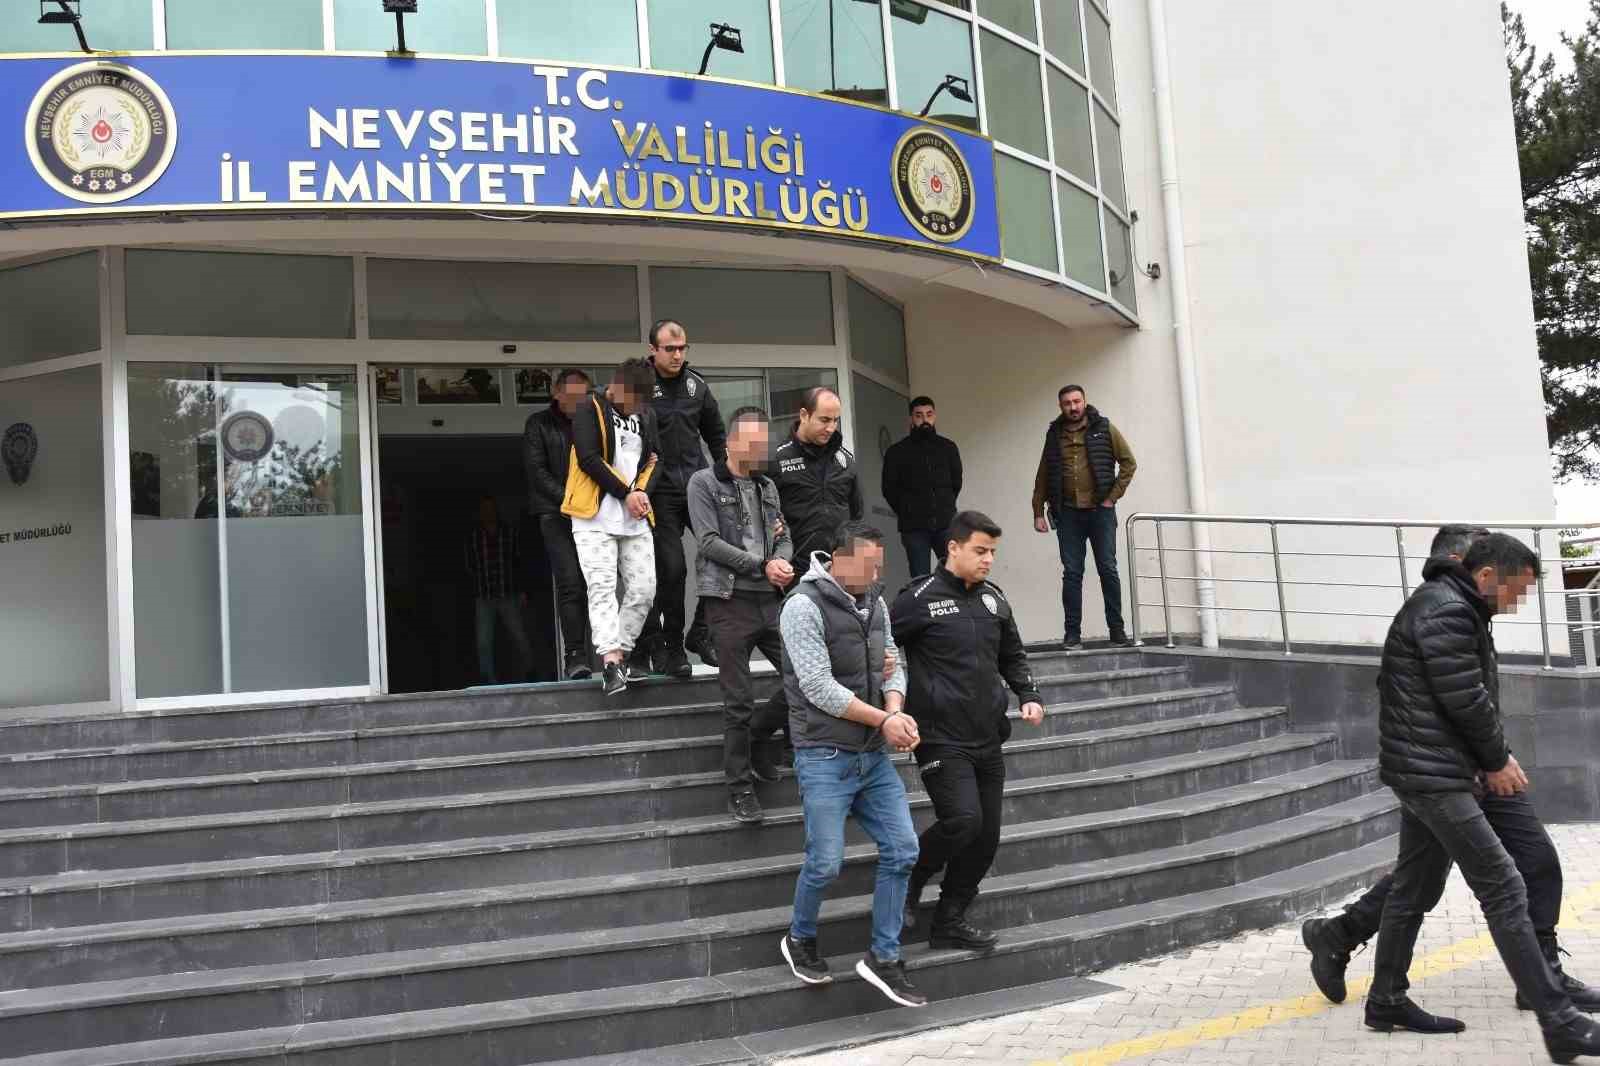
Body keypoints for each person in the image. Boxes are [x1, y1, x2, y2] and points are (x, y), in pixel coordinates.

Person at [1303, 525, 1600, 1015]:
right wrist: (1495, 759)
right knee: (1473, 880)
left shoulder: (1462, 609)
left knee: (1463, 871)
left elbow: (1464, 694)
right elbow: (1461, 698)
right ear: (1468, 565)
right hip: (1449, 771)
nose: (1515, 598)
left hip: (1462, 767)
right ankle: (1540, 997)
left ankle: (1349, 947)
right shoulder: (1445, 608)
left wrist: (1490, 757)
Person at [777, 520, 926, 1009]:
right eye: (868, 565)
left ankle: (884, 956)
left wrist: (895, 709)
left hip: (872, 756)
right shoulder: (802, 606)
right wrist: (886, 720)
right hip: (823, 754)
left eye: (879, 566)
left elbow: (893, 665)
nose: (876, 575)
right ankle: (800, 937)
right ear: (838, 559)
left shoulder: (875, 604)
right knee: (825, 862)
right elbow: (818, 688)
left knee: (903, 850)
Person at [892, 510, 1044, 951]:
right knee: (963, 820)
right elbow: (877, 646)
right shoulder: (917, 598)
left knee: (985, 837)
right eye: (980, 551)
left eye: (992, 552)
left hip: (987, 735)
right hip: (940, 735)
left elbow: (1012, 654)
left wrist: (1028, 694)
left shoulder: (994, 599)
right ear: (953, 548)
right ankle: (911, 878)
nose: (988, 560)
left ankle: (950, 919)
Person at [687, 406, 795, 823]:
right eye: (753, 441)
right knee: (738, 699)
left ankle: (757, 737)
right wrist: (761, 566)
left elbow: (784, 534)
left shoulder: (767, 485)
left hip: (769, 600)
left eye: (764, 441)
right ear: (731, 442)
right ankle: (740, 788)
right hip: (728, 601)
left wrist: (781, 560)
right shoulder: (704, 482)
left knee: (803, 676)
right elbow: (708, 542)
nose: (760, 449)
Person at [562, 358, 661, 697]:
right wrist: (625, 493)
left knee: (644, 588)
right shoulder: (589, 407)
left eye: (643, 403)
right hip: (593, 515)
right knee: (601, 587)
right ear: (618, 387)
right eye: (635, 400)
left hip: (634, 516)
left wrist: (641, 492)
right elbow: (589, 458)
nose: (638, 408)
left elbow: (655, 459)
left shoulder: (646, 415)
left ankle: (622, 651)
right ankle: (611, 661)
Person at [635, 319, 728, 678]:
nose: (677, 355)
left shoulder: (697, 385)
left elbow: (716, 436)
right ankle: (671, 648)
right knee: (672, 569)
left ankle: (700, 633)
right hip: (658, 492)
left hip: (697, 487)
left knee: (728, 554)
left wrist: (727, 482)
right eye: (669, 349)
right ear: (653, 350)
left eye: (682, 348)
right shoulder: (639, 386)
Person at [1031, 385, 1136, 650]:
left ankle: (1117, 631)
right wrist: (1038, 512)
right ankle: (1072, 635)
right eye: (1067, 403)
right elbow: (1043, 474)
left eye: (1077, 401)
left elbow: (1128, 463)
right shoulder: (1054, 434)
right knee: (1072, 573)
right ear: (1061, 406)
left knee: (1108, 569)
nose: (1073, 407)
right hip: (1067, 514)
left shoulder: (1104, 427)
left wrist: (1113, 497)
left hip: (1101, 512)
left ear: (1085, 401)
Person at [523, 368, 593, 681]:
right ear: (556, 393)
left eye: (584, 396)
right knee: (571, 583)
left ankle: (616, 654)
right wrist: (569, 500)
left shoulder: (594, 423)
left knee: (601, 582)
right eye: (573, 395)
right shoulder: (538, 424)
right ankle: (575, 656)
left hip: (593, 513)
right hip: (555, 513)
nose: (579, 401)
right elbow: (537, 471)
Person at [771, 386, 864, 578]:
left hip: (839, 570)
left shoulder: (845, 460)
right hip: (793, 570)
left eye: (835, 420)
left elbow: (856, 515)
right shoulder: (777, 459)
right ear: (804, 415)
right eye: (824, 420)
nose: (831, 428)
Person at [882, 396, 963, 578]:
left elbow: (956, 483)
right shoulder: (897, 452)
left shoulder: (948, 448)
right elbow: (889, 489)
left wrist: (944, 505)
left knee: (954, 576)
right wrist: (907, 510)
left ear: (935, 416)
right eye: (919, 415)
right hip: (914, 528)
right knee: (920, 579)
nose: (925, 420)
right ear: (911, 418)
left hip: (945, 524)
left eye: (929, 414)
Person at [464, 495, 534, 684]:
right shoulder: (474, 537)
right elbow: (469, 567)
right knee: (483, 643)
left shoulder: (509, 533)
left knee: (519, 638)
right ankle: (488, 680)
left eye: (490, 508)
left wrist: (522, 591)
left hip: (507, 594)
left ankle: (529, 673)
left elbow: (518, 563)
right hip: (484, 596)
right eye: (484, 509)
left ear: (496, 510)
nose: (488, 513)